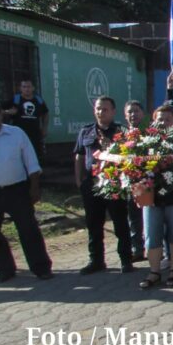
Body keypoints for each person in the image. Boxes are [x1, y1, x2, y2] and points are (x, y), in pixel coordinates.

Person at [74, 96, 132, 275]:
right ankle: (96, 260)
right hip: (92, 183)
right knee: (93, 223)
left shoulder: (122, 132)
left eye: (105, 109)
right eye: (98, 109)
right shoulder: (86, 132)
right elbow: (79, 156)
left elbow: (130, 157)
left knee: (120, 223)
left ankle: (126, 260)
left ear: (113, 112)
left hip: (114, 183)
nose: (101, 112)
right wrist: (79, 180)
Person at [138, 105, 173, 289]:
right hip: (151, 197)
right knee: (152, 235)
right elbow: (136, 168)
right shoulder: (145, 141)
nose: (162, 123)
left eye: (167, 119)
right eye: (159, 119)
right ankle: (154, 271)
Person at [0, 101, 53, 282]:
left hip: (18, 190)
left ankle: (41, 268)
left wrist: (34, 187)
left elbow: (31, 162)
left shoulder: (16, 134)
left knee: (28, 229)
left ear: (0, 114)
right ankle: (5, 268)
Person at [123, 100, 147, 262]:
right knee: (133, 217)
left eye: (136, 111)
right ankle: (137, 248)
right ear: (125, 115)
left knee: (147, 216)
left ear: (142, 114)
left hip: (146, 182)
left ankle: (153, 248)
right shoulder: (121, 134)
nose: (133, 114)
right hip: (128, 181)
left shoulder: (149, 134)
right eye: (130, 112)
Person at [4, 80, 48, 164]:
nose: (26, 89)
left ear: (33, 88)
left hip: (34, 134)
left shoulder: (38, 100)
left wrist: (45, 127)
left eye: (28, 87)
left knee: (35, 156)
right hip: (18, 133)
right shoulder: (15, 99)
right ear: (20, 88)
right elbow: (0, 111)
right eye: (24, 87)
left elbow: (46, 113)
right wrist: (8, 112)